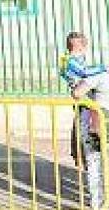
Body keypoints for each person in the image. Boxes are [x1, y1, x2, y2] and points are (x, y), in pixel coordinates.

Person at [65, 32, 107, 209]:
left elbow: (78, 90)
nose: (78, 51)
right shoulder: (70, 61)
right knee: (93, 158)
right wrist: (102, 68)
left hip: (93, 114)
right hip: (88, 113)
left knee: (94, 159)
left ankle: (98, 201)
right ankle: (97, 201)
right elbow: (83, 76)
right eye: (75, 48)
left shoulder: (87, 66)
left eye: (79, 47)